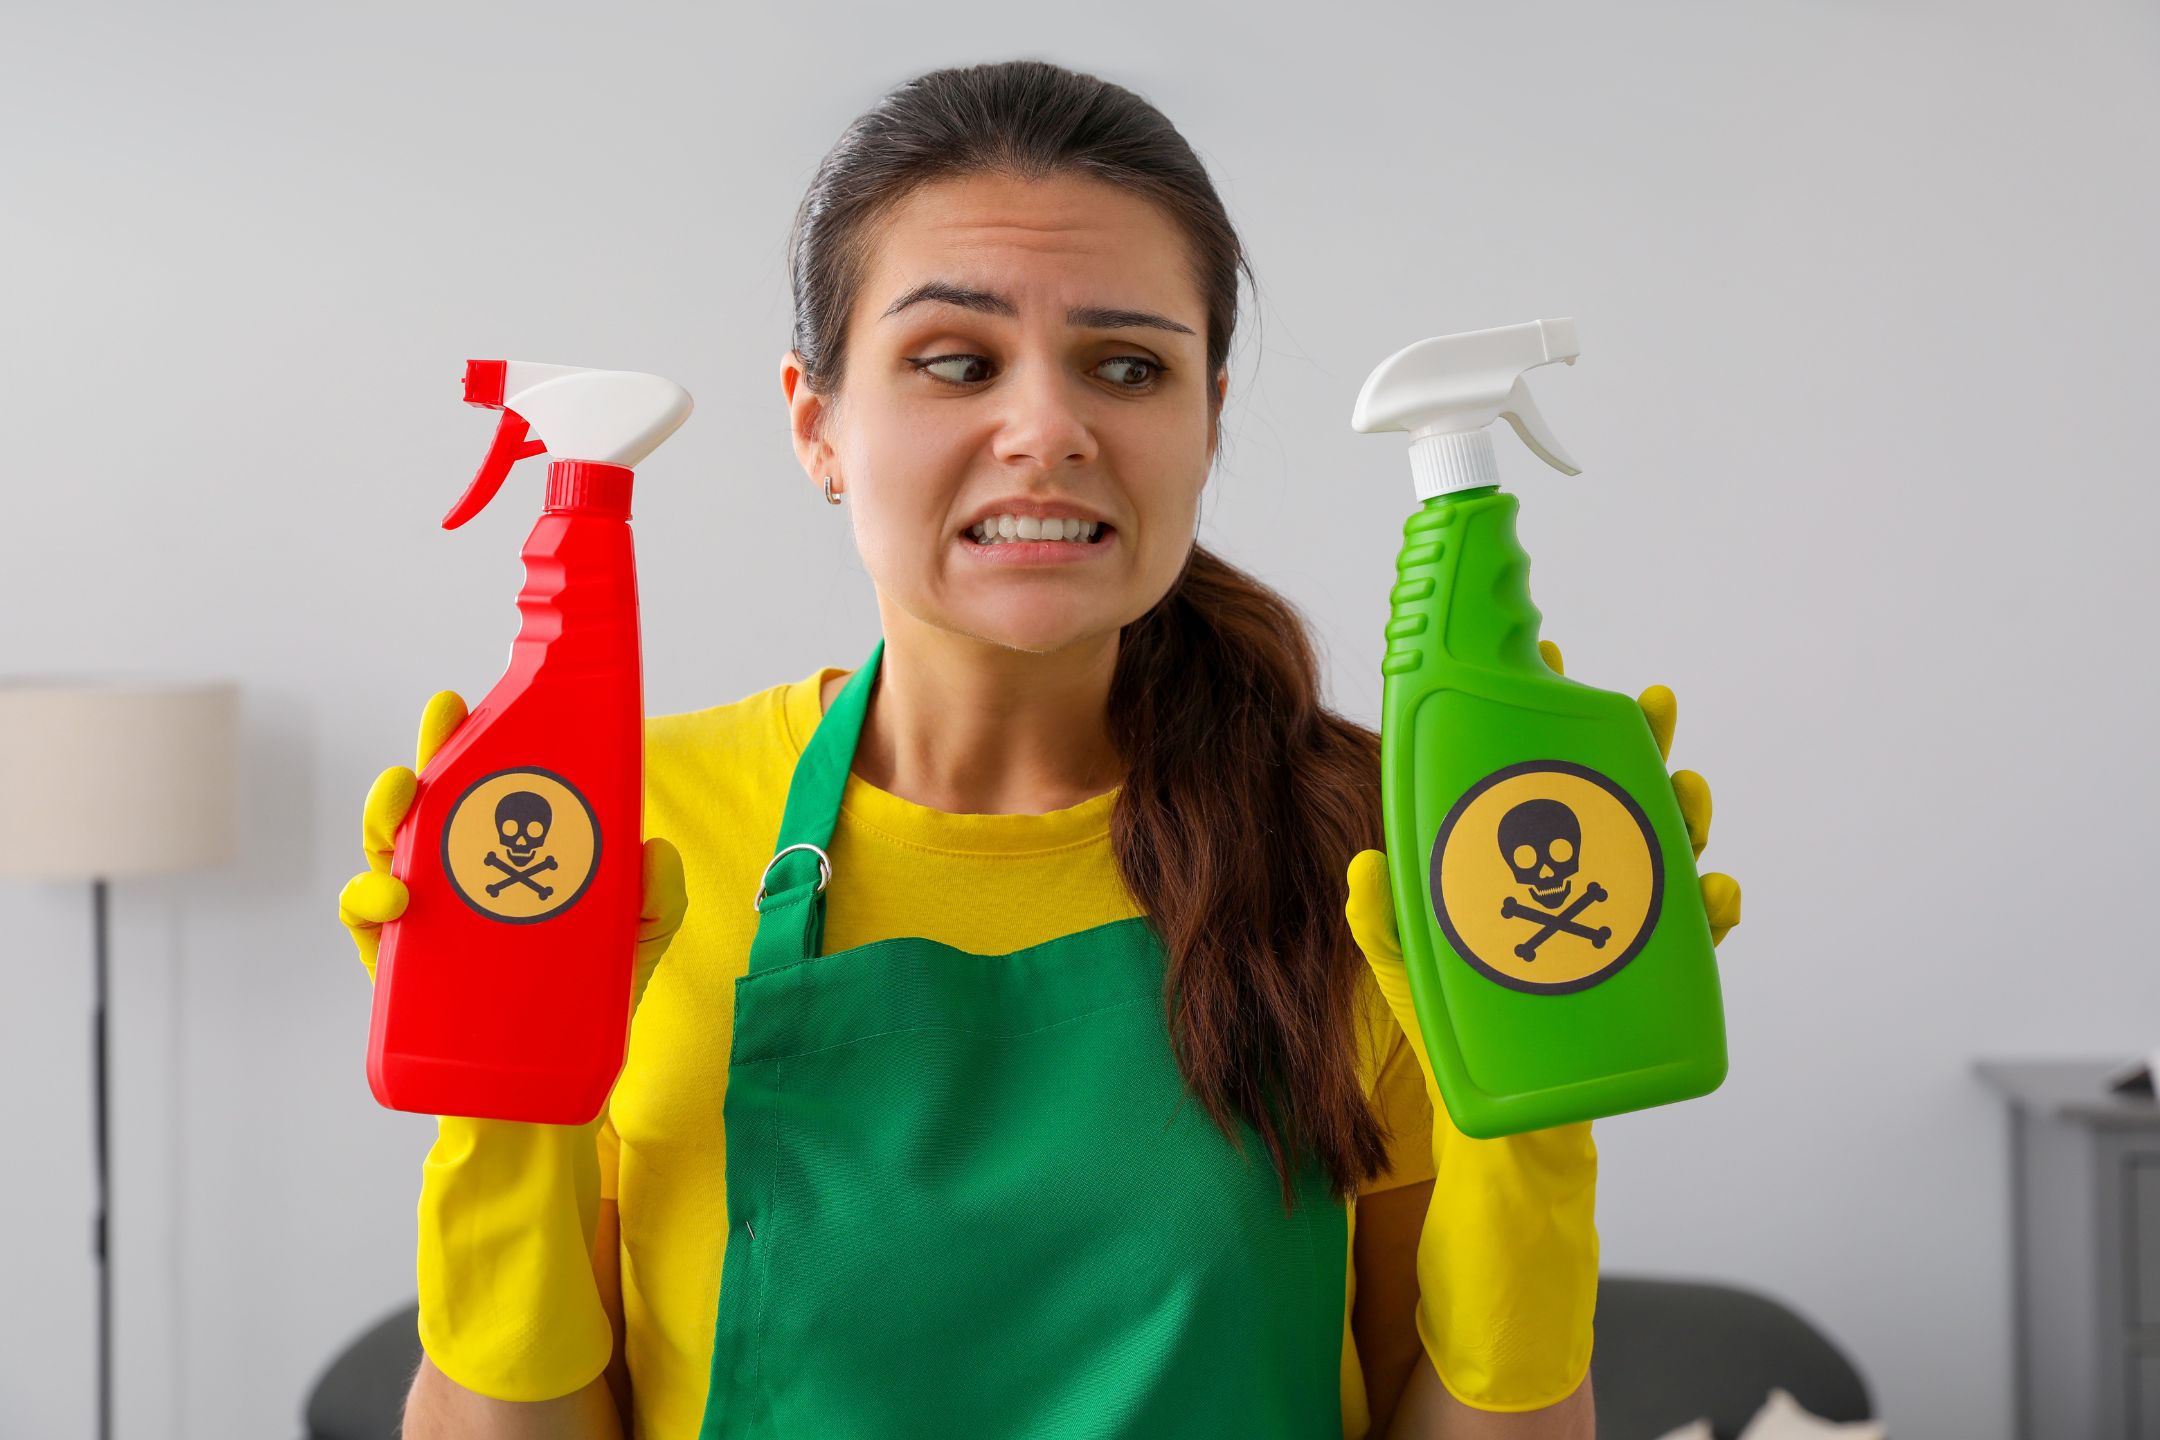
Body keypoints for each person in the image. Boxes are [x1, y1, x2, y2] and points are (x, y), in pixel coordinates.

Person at [338, 58, 1741, 1440]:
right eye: (956, 362)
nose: (1049, 430)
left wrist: (1533, 1137)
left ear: (1207, 422)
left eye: (1127, 367)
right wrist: (499, 1113)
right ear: (817, 423)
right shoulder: (606, 833)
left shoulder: (1380, 850)